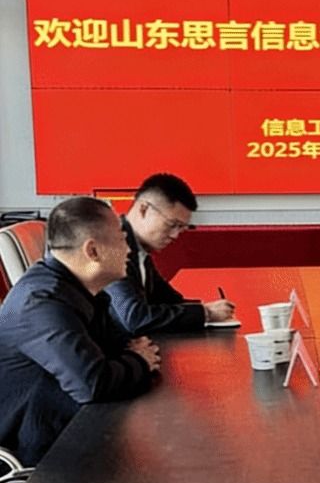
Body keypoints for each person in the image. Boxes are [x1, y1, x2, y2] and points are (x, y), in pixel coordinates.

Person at [0, 197, 160, 466]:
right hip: (36, 459)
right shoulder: (42, 302)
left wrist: (130, 356)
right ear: (93, 251)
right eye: (122, 239)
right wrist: (140, 362)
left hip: (69, 427)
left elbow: (118, 346)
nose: (129, 250)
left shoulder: (80, 289)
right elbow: (92, 384)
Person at [104, 173, 235, 335]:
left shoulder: (140, 249)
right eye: (172, 225)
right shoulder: (112, 247)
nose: (175, 235)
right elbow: (134, 317)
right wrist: (206, 313)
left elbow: (169, 300)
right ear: (144, 209)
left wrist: (207, 309)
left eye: (182, 228)